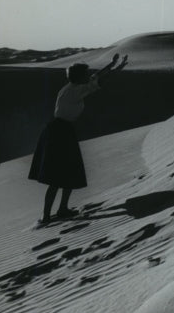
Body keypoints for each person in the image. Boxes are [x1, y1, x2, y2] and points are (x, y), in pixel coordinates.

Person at [29, 53, 128, 225]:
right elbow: (99, 82)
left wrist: (111, 65)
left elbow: (95, 77)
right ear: (79, 77)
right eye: (85, 74)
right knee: (57, 176)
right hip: (60, 133)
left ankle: (61, 210)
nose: (88, 76)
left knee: (68, 172)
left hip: (60, 130)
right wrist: (117, 69)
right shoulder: (75, 91)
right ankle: (46, 216)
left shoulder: (70, 87)